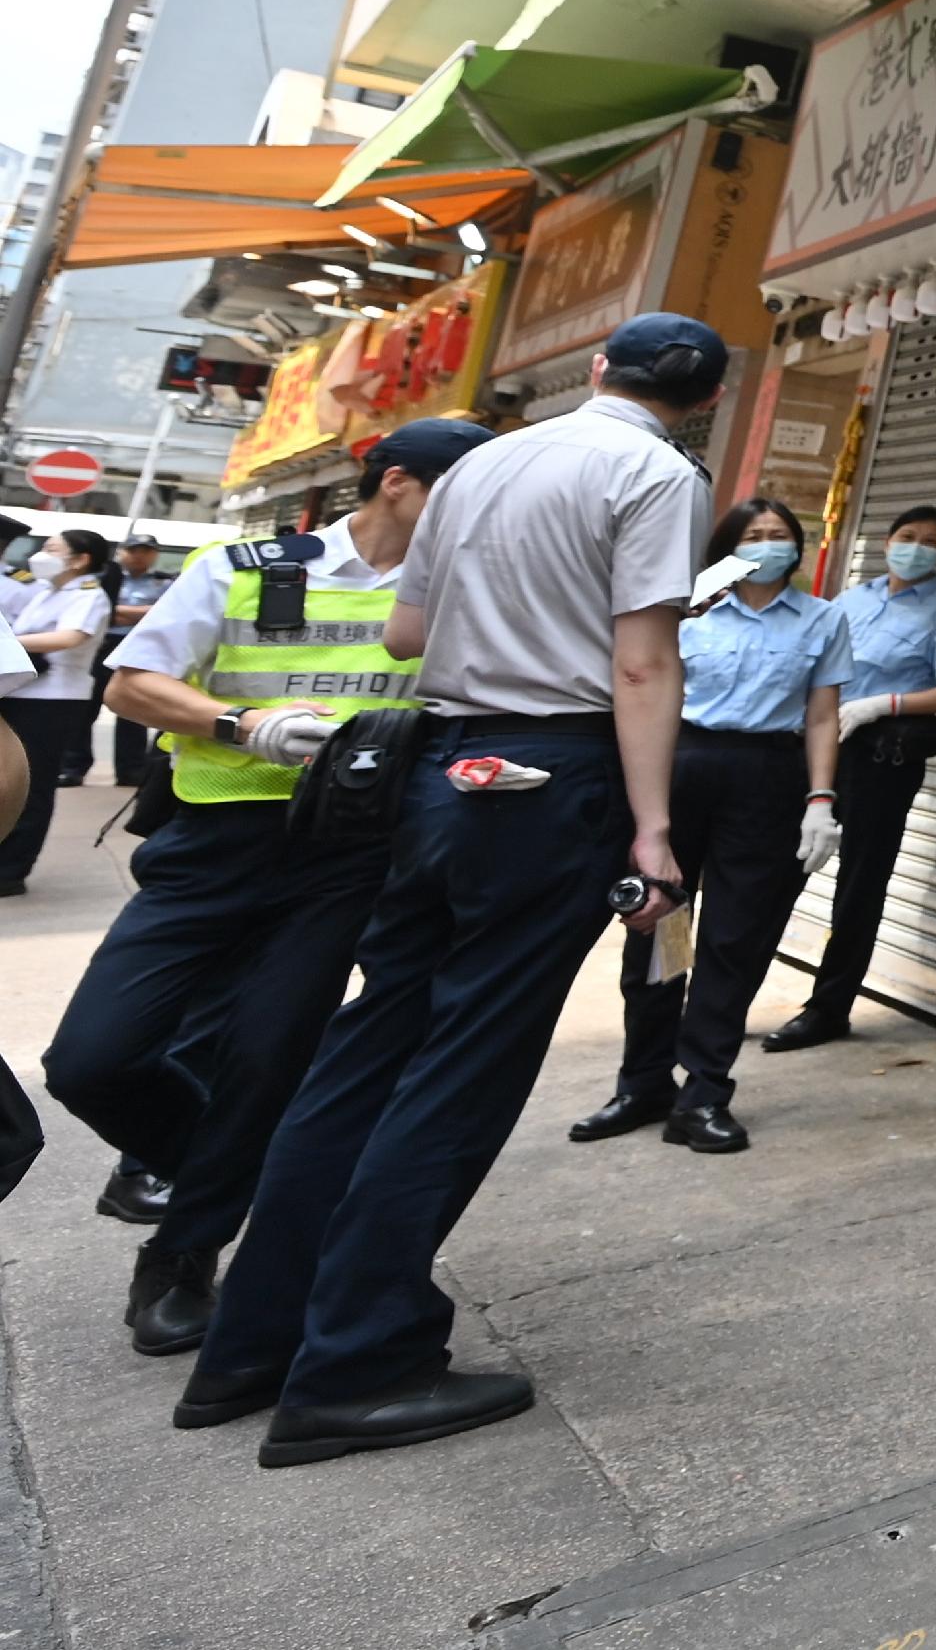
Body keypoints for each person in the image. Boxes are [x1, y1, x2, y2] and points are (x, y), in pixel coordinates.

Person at [179, 313, 721, 1466]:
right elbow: (641, 660)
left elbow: (405, 633)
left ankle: (249, 1343)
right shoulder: (656, 475)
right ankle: (360, 1360)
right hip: (552, 775)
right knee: (462, 1068)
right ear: (702, 402)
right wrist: (655, 830)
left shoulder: (478, 465)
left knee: (368, 1050)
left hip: (437, 768)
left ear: (594, 370)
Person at [50, 420, 495, 1356]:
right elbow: (130, 686)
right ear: (401, 484)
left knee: (267, 1058)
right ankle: (230, 1169)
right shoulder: (244, 564)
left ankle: (179, 1257)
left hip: (346, 859)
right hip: (212, 845)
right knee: (91, 1058)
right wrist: (243, 722)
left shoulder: (464, 591)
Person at [572, 494, 850, 1154]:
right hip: (679, 767)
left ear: (797, 545)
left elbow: (820, 715)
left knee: (735, 938)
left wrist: (820, 798)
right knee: (664, 926)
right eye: (752, 533)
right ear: (728, 544)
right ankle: (643, 1080)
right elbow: (643, 686)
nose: (766, 542)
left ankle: (703, 1092)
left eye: (778, 533)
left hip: (766, 780)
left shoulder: (822, 619)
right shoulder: (686, 610)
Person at [762, 501, 936, 1050]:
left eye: (931, 541)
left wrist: (884, 704)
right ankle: (733, 993)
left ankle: (829, 1008)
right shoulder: (851, 600)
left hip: (882, 760)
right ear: (886, 541)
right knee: (780, 868)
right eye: (908, 535)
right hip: (819, 747)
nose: (917, 547)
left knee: (860, 885)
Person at [0, 527, 119, 888]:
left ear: (80, 559)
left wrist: (9, 645)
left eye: (52, 549)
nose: (41, 555)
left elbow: (70, 637)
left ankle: (10, 871)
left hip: (55, 698)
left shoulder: (87, 594)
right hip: (23, 694)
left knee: (33, 786)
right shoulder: (45, 591)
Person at [101, 532, 173, 789]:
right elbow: (101, 612)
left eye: (145, 550)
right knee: (86, 710)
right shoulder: (107, 578)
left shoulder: (165, 582)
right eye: (134, 550)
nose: (139, 555)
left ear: (155, 554)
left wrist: (116, 612)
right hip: (104, 644)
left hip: (141, 648)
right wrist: (139, 613)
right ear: (122, 552)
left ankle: (131, 771)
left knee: (131, 710)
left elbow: (162, 614)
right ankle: (73, 767)